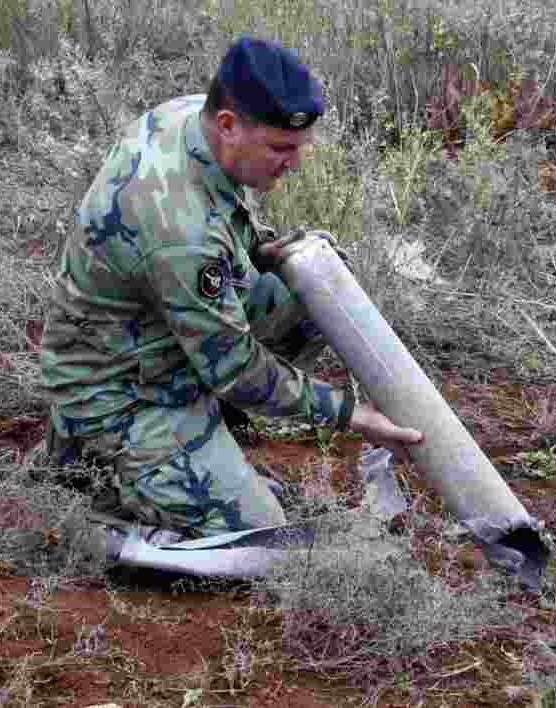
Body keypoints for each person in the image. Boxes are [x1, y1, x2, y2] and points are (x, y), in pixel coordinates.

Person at [39, 35, 422, 538]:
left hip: (160, 334)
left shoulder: (188, 117)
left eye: (299, 146)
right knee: (256, 528)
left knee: (318, 288)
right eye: (281, 148)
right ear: (228, 125)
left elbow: (223, 227)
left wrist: (269, 250)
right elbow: (237, 370)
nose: (295, 161)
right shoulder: (180, 230)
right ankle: (101, 468)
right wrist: (352, 415)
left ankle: (201, 436)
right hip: (121, 386)